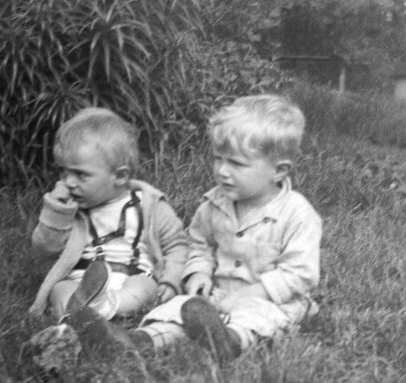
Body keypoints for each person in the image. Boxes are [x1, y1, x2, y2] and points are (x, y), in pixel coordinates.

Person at [132, 95, 322, 361]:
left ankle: (229, 342)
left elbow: (300, 273)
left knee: (256, 318)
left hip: (271, 299)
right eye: (218, 159)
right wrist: (199, 273)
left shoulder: (297, 214)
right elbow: (199, 245)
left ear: (279, 171)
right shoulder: (213, 204)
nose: (222, 171)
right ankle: (139, 342)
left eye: (236, 164)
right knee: (180, 308)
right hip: (219, 294)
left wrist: (252, 293)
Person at [29, 108, 188, 336]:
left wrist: (171, 280)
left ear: (120, 176)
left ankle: (97, 311)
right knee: (59, 290)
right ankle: (81, 312)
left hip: (131, 275)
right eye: (64, 174)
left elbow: (177, 246)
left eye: (81, 175)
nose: (70, 183)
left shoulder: (149, 206)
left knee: (143, 288)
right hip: (81, 280)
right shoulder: (72, 209)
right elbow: (45, 248)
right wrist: (58, 212)